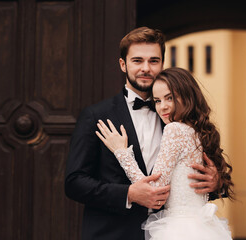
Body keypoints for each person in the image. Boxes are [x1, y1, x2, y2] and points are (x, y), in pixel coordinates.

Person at [65, 27, 222, 240]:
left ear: (162, 64)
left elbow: (190, 181)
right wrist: (128, 194)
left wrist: (214, 183)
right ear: (123, 64)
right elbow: (74, 182)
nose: (146, 68)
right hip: (111, 234)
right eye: (137, 60)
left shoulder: (177, 118)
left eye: (154, 61)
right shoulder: (96, 116)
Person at [96, 67, 234, 240]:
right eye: (157, 101)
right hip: (203, 227)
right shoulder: (200, 132)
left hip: (179, 229)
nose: (163, 107)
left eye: (169, 98)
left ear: (187, 95)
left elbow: (155, 191)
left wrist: (122, 153)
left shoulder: (174, 129)